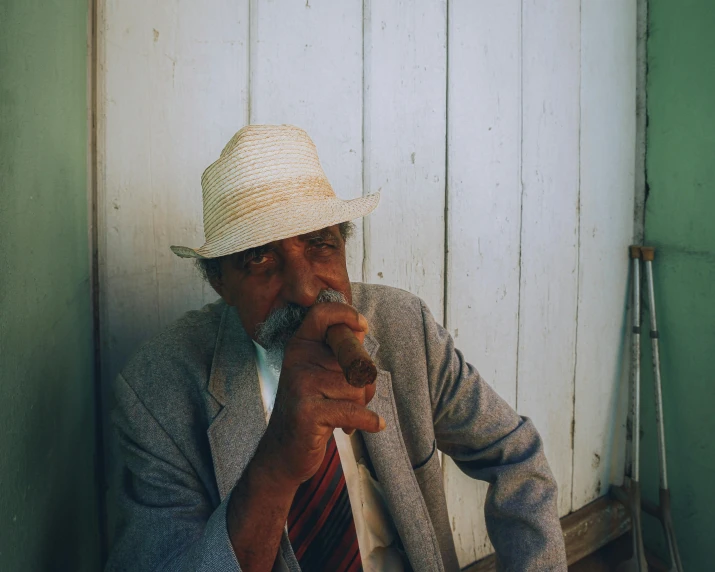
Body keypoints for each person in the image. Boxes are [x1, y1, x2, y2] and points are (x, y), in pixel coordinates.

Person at [107, 124, 567, 571]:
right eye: (260, 257)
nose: (306, 291)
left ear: (342, 244)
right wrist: (278, 462)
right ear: (220, 282)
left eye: (319, 244)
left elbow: (516, 457)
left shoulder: (406, 328)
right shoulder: (155, 394)